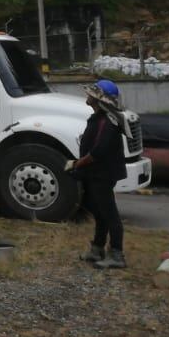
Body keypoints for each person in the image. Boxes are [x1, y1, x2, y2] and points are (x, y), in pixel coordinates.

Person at [67, 78, 127, 269]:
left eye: (92, 94)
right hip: (96, 174)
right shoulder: (101, 118)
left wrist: (77, 164)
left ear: (99, 99)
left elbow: (98, 152)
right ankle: (97, 249)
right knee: (100, 213)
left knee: (110, 215)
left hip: (102, 174)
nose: (88, 96)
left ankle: (117, 255)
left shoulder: (107, 122)